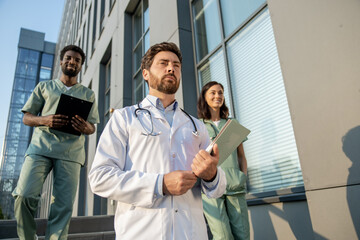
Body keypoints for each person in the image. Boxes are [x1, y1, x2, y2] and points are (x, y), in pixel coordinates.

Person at [88, 42, 226, 239]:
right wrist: (158, 184)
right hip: (141, 232)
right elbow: (100, 178)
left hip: (191, 233)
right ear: (145, 73)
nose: (171, 68)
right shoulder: (124, 118)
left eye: (176, 65)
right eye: (163, 63)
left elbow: (217, 190)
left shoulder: (196, 126)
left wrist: (212, 175)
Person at [12, 45, 100, 240]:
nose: (72, 62)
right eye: (68, 58)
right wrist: (45, 120)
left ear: (80, 66)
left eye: (77, 60)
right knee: (24, 195)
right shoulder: (44, 87)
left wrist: (85, 127)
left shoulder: (88, 94)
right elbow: (27, 118)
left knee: (63, 206)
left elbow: (92, 127)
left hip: (71, 153)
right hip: (40, 148)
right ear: (61, 62)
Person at [197, 81, 250, 240]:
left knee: (243, 235)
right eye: (212, 93)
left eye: (220, 92)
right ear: (205, 97)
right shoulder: (198, 125)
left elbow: (241, 155)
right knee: (223, 237)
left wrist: (243, 177)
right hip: (210, 189)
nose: (217, 96)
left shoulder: (232, 124)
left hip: (234, 185)